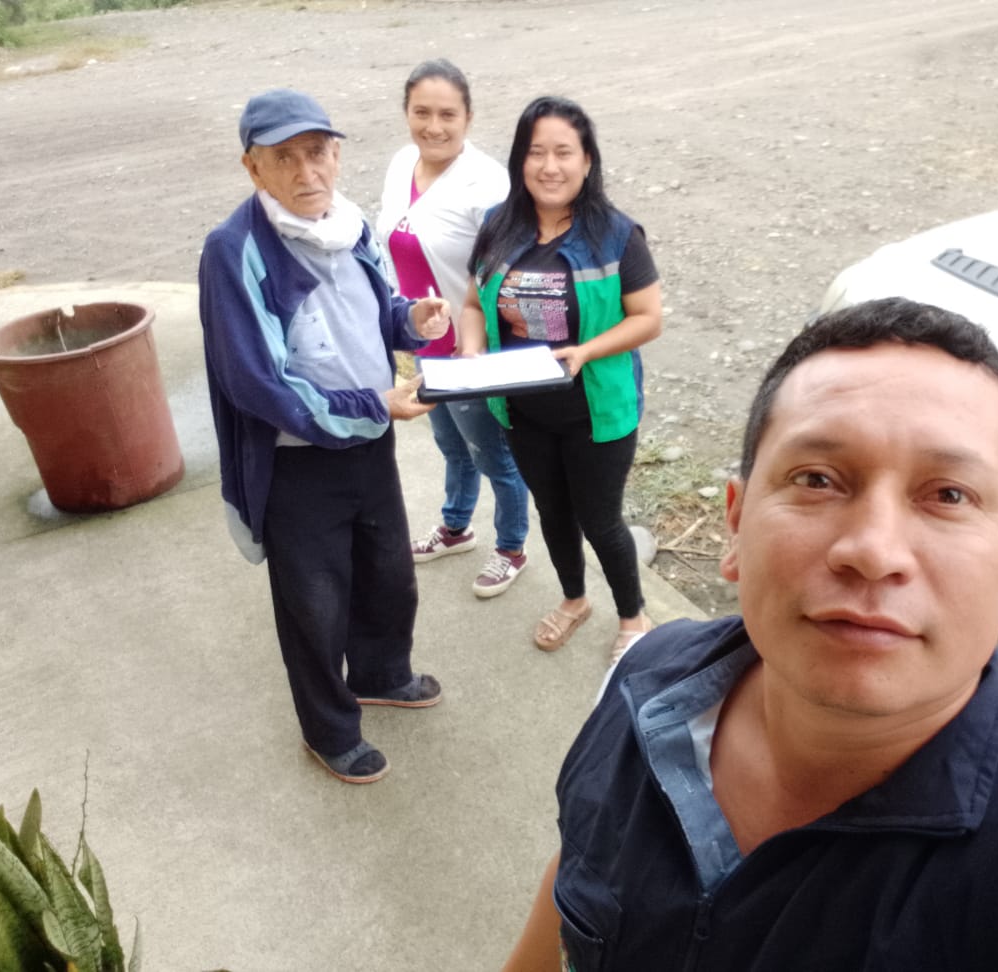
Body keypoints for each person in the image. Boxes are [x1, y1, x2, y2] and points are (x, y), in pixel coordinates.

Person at [501, 297, 998, 970]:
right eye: (816, 479)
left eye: (949, 494)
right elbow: (575, 886)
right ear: (735, 524)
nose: (873, 550)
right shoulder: (644, 683)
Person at [198, 88, 451, 785]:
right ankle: (329, 730)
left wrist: (410, 320)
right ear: (253, 168)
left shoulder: (350, 222)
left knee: (387, 573)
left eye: (317, 152)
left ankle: (381, 673)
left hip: (370, 441)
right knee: (314, 603)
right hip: (297, 463)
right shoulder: (234, 250)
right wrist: (373, 404)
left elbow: (377, 308)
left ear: (337, 155)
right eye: (284, 158)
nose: (307, 172)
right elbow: (256, 383)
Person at [458, 95, 663, 659]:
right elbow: (472, 304)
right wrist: (471, 352)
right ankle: (574, 599)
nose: (550, 166)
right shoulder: (498, 225)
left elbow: (649, 319)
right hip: (522, 409)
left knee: (600, 520)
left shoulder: (617, 235)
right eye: (536, 152)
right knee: (552, 511)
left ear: (587, 160)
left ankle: (633, 616)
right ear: (519, 160)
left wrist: (586, 350)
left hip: (595, 411)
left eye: (564, 152)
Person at [376, 59, 532, 599]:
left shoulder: (486, 183)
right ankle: (456, 526)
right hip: (423, 340)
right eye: (421, 112)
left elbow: (505, 270)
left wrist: (475, 345)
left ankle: (512, 547)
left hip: (469, 349)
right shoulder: (402, 163)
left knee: (492, 454)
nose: (434, 126)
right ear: (406, 113)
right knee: (449, 443)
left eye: (447, 114)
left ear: (468, 117)